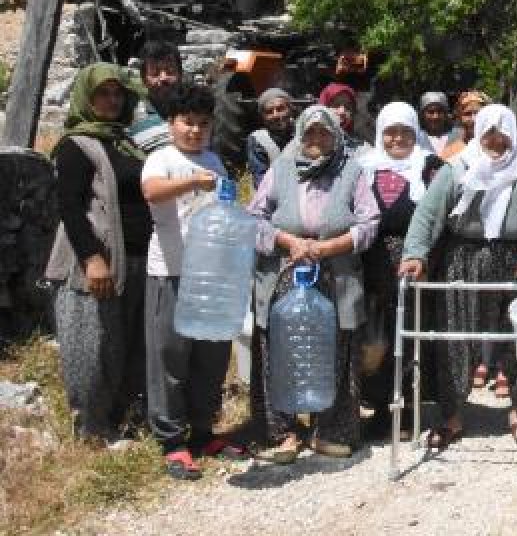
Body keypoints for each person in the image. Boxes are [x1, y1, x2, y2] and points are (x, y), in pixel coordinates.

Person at [400, 105, 517, 450]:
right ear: (478, 133)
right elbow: (428, 214)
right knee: (454, 338)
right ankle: (452, 415)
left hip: (516, 259)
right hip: (464, 258)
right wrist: (415, 253)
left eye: (502, 134)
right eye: (488, 132)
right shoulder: (459, 168)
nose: (495, 140)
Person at [248, 106, 381, 463]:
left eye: (324, 133)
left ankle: (332, 430)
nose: (317, 141)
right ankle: (283, 433)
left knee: (336, 348)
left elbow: (369, 223)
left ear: (336, 136)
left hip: (335, 270)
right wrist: (289, 242)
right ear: (300, 135)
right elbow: (254, 218)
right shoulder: (280, 169)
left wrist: (325, 247)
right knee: (283, 347)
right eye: (310, 134)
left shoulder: (351, 171)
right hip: (285, 268)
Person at [140, 85, 248, 479]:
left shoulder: (214, 160)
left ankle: (204, 433)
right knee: (170, 356)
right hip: (169, 271)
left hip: (211, 277)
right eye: (188, 122)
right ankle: (172, 441)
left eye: (203, 124)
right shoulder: (161, 158)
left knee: (210, 357)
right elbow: (151, 192)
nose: (195, 130)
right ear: (172, 123)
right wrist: (192, 183)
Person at [45, 63, 153, 445]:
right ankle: (91, 429)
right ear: (86, 98)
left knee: (126, 344)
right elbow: (70, 207)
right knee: (94, 347)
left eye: (117, 93)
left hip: (136, 261)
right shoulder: (76, 145)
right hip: (97, 263)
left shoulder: (126, 142)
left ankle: (121, 421)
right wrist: (92, 259)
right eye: (102, 93)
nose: (111, 100)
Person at [359, 102, 444, 441]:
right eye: (390, 132)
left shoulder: (431, 166)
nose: (398, 139)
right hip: (372, 265)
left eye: (405, 131)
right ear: (380, 133)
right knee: (377, 337)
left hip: (416, 262)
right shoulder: (363, 167)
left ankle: (410, 408)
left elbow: (442, 214)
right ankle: (380, 408)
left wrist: (425, 256)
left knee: (411, 333)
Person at [129, 41, 184, 154]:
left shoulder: (198, 112)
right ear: (143, 78)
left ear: (181, 74)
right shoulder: (130, 117)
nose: (163, 78)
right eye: (155, 73)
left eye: (170, 71)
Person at [246, 88, 294, 188]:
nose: (276, 115)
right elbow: (261, 181)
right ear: (262, 117)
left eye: (280, 109)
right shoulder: (259, 139)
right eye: (269, 111)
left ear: (290, 110)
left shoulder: (302, 134)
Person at [318, 82, 370, 156]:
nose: (342, 112)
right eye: (336, 105)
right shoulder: (309, 142)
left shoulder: (361, 148)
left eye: (348, 107)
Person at [440, 90, 489, 163]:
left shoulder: (496, 149)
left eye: (478, 113)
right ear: (459, 117)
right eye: (467, 114)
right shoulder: (449, 153)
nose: (473, 119)